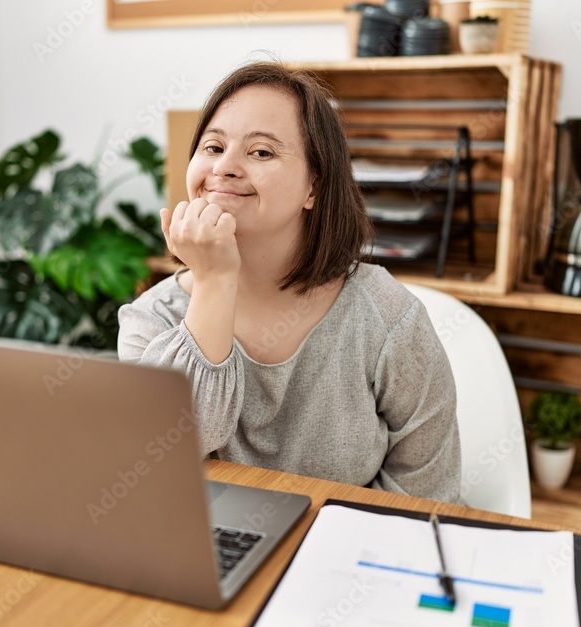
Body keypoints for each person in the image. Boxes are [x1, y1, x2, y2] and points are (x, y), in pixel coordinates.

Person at [117, 61, 460, 503]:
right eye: (213, 147)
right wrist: (216, 280)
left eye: (261, 152)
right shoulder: (153, 320)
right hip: (208, 555)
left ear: (313, 187)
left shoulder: (387, 316)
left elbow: (427, 493)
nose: (225, 167)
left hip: (346, 555)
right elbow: (162, 459)